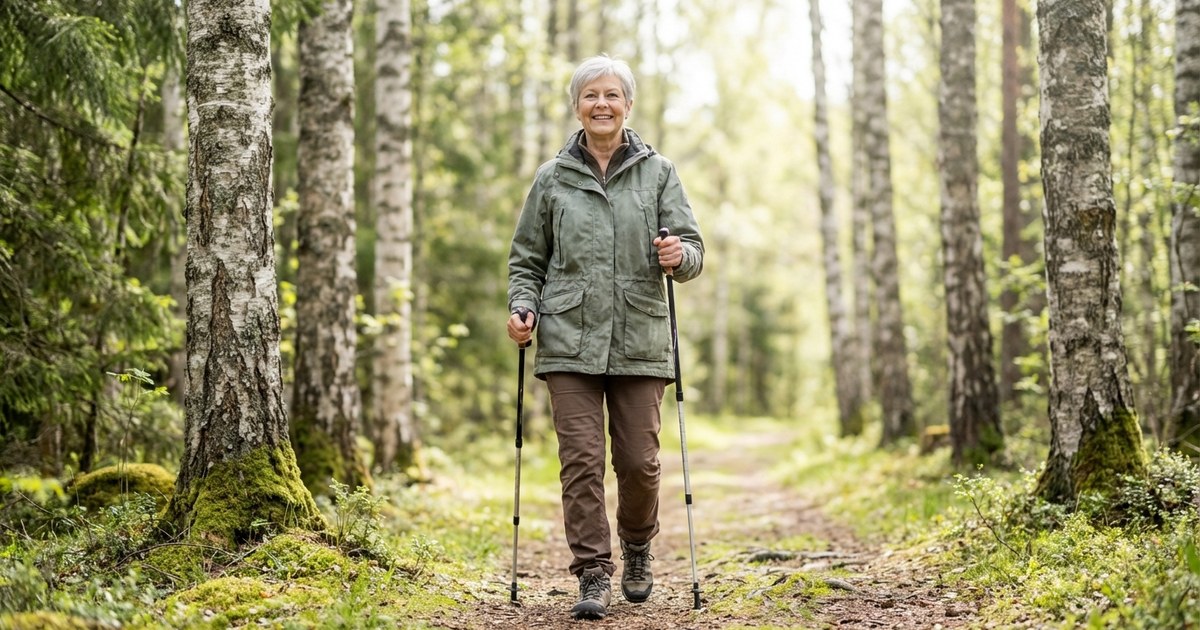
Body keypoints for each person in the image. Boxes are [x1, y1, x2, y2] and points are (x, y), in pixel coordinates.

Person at [506, 54, 704, 620]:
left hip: (641, 337)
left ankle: (637, 546)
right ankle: (593, 572)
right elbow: (527, 260)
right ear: (577, 105)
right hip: (568, 338)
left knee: (639, 462)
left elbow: (693, 251)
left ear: (628, 105)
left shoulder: (658, 172)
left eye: (612, 94)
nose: (601, 103)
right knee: (581, 461)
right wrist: (522, 307)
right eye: (591, 94)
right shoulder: (551, 178)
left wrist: (679, 255)